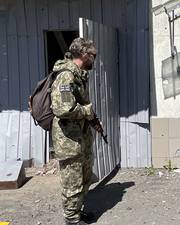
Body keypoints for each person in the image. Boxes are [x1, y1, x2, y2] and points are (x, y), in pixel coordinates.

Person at [50, 37, 101, 225]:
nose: (95, 59)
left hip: (81, 137)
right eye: (93, 55)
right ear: (83, 54)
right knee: (72, 180)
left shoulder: (79, 75)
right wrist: (86, 111)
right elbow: (62, 109)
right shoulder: (66, 75)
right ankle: (71, 220)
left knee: (84, 176)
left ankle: (77, 212)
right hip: (69, 140)